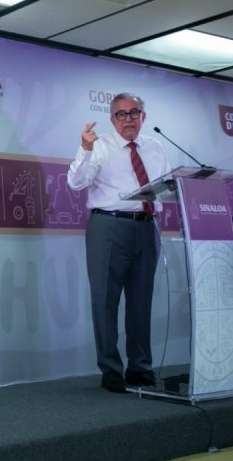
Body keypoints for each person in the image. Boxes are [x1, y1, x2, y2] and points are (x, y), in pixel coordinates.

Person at [67, 93, 169, 393]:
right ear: (112, 120)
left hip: (146, 226)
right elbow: (76, 182)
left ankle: (140, 367)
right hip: (108, 226)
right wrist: (85, 149)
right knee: (105, 301)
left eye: (134, 112)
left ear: (143, 117)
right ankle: (111, 369)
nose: (128, 119)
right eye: (121, 114)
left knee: (141, 300)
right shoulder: (99, 145)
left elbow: (165, 187)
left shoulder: (155, 146)